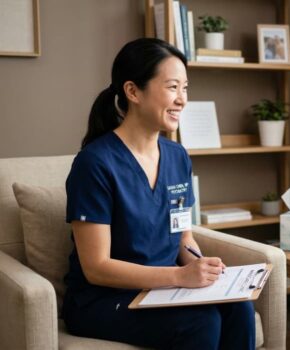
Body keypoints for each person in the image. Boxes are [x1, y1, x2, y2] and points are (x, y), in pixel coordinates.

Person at [62, 38, 255, 350]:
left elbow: (182, 237)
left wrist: (205, 272)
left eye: (185, 88)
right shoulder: (95, 164)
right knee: (202, 323)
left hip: (162, 289)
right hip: (104, 300)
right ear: (133, 91)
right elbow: (96, 267)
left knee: (239, 307)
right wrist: (179, 278)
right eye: (172, 87)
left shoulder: (177, 156)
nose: (182, 100)